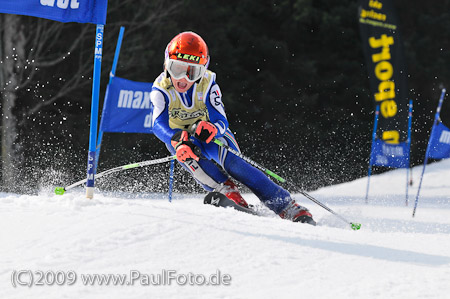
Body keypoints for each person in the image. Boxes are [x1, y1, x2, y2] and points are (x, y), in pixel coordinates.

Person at [150, 31, 315, 225]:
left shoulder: (208, 83)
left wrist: (213, 128)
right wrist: (176, 139)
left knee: (236, 165)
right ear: (166, 64)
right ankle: (226, 190)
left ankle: (286, 206)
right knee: (185, 153)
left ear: (202, 71)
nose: (183, 79)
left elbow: (221, 120)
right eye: (177, 69)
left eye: (192, 72)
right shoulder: (160, 88)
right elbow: (157, 124)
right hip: (182, 139)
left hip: (208, 136)